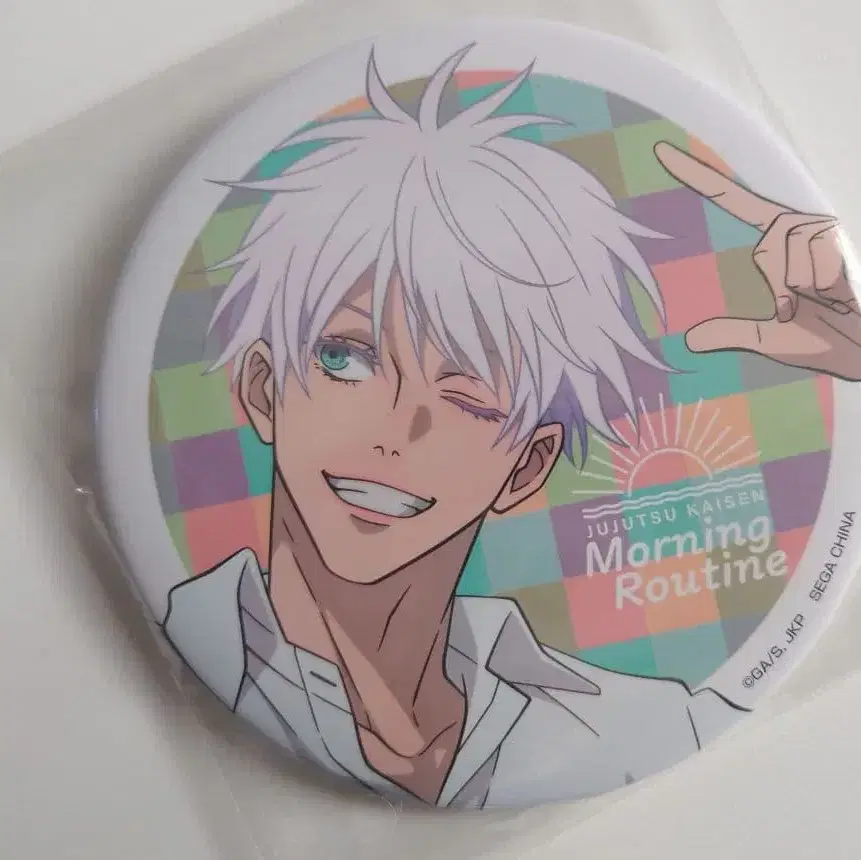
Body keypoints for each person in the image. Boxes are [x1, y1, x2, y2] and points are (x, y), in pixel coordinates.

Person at [162, 45, 861, 808]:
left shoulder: (641, 726)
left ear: (526, 466)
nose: (397, 430)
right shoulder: (181, 654)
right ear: (263, 389)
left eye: (468, 394)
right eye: (347, 358)